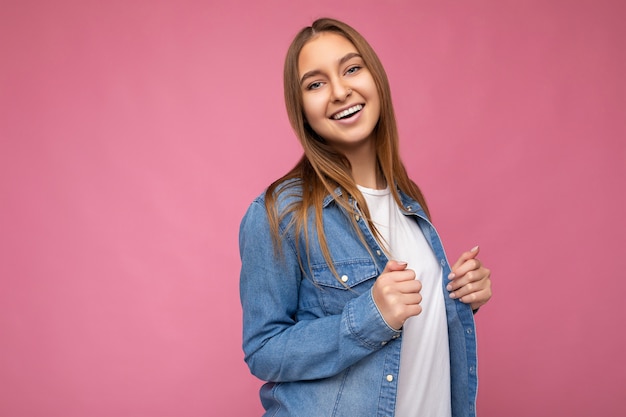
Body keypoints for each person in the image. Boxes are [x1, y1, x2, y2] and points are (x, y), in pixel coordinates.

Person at [239, 17, 492, 417]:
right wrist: (370, 317)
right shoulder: (281, 212)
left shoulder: (408, 201)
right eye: (316, 84)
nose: (340, 91)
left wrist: (459, 296)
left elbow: (414, 328)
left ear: (376, 80)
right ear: (302, 109)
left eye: (352, 68)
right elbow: (263, 350)